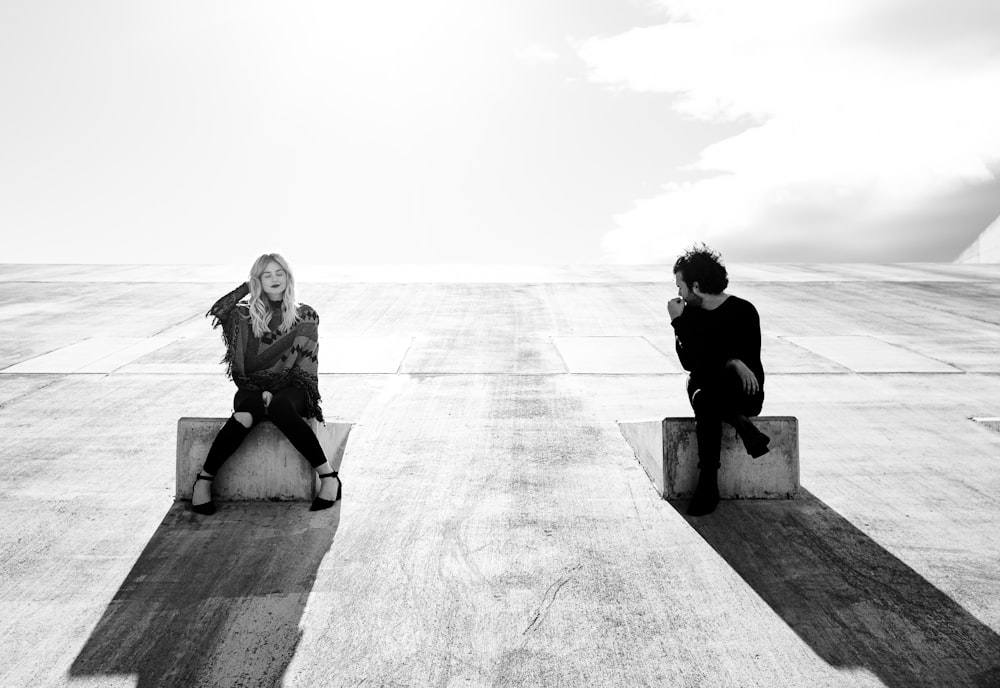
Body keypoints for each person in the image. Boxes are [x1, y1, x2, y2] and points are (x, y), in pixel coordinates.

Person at [190, 253, 341, 514]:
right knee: (246, 414)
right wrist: (249, 286)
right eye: (266, 275)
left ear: (288, 277)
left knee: (282, 407)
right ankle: (204, 481)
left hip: (293, 389)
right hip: (251, 388)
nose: (273, 279)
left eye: (279, 273)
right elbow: (219, 309)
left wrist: (274, 389)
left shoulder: (305, 316)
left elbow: (303, 368)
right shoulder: (245, 315)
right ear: (258, 279)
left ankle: (329, 477)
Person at [668, 245, 769, 516]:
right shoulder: (687, 315)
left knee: (705, 397)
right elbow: (690, 362)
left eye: (681, 285)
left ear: (696, 286)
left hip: (743, 393)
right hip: (708, 388)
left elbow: (742, 366)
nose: (678, 292)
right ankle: (739, 426)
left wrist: (733, 363)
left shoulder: (744, 311)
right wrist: (679, 324)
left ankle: (708, 484)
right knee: (704, 393)